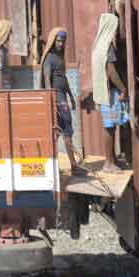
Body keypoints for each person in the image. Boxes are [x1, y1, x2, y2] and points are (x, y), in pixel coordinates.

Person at [41, 28, 85, 175]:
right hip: (56, 100)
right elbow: (47, 79)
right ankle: (65, 167)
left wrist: (71, 96)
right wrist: (50, 100)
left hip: (63, 98)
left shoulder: (60, 58)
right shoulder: (49, 58)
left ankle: (72, 166)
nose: (61, 44)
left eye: (63, 41)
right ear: (53, 41)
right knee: (62, 132)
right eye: (58, 41)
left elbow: (63, 79)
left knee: (65, 132)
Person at [91, 12, 128, 172]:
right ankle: (108, 163)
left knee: (110, 126)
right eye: (116, 27)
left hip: (102, 93)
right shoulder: (108, 46)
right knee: (110, 127)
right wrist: (123, 88)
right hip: (110, 94)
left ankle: (111, 160)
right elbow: (111, 71)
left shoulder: (97, 45)